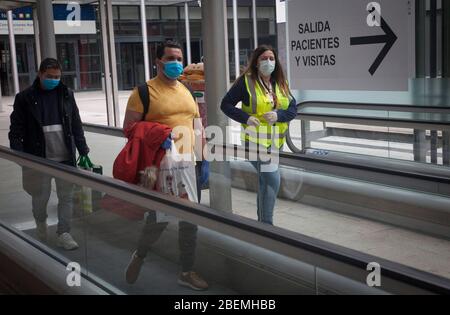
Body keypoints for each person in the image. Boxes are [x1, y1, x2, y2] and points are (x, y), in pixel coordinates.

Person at [123, 41, 208, 291]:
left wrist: (203, 159)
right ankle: (140, 254)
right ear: (158, 61)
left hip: (188, 165)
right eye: (170, 58)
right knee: (158, 219)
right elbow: (128, 129)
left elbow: (198, 127)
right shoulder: (144, 92)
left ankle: (186, 270)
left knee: (190, 219)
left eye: (179, 57)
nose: (176, 63)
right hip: (160, 167)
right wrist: (159, 133)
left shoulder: (187, 91)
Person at [9, 58, 90, 250]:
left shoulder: (67, 95)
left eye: (57, 77)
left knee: (66, 197)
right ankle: (40, 224)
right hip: (39, 159)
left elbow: (76, 125)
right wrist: (22, 158)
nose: (53, 80)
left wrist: (83, 150)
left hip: (65, 158)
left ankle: (64, 232)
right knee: (40, 198)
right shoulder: (24, 98)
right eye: (49, 76)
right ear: (40, 74)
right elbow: (16, 131)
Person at [221, 45, 297, 225]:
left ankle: (262, 225)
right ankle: (267, 224)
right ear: (256, 62)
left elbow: (293, 109)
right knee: (273, 179)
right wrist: (246, 118)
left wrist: (280, 115)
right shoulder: (245, 82)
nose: (268, 62)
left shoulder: (280, 83)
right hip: (254, 142)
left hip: (275, 143)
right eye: (264, 58)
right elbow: (226, 105)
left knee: (265, 182)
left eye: (271, 58)